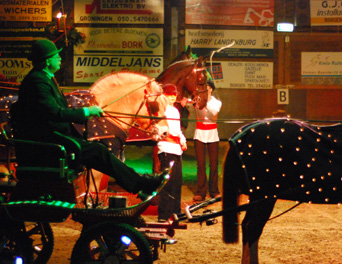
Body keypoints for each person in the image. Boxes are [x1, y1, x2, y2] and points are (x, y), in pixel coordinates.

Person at [10, 39, 164, 195]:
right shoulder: (37, 81)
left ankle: (140, 184)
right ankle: (140, 184)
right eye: (57, 56)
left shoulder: (45, 79)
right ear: (48, 60)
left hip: (55, 137)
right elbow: (55, 113)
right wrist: (86, 112)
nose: (60, 58)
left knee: (98, 151)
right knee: (98, 151)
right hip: (49, 142)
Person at [156, 84, 188, 222]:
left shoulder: (175, 111)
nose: (172, 97)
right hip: (166, 147)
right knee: (167, 183)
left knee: (177, 182)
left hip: (176, 149)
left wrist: (183, 140)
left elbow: (178, 130)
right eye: (169, 95)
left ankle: (176, 212)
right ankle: (163, 214)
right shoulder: (160, 110)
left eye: (174, 95)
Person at [191, 79, 221, 201]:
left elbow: (214, 112)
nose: (206, 89)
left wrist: (206, 99)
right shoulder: (197, 100)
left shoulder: (217, 102)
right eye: (204, 87)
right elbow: (193, 106)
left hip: (213, 134)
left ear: (211, 89)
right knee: (201, 164)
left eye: (208, 87)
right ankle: (201, 191)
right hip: (200, 134)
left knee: (213, 164)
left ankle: (214, 191)